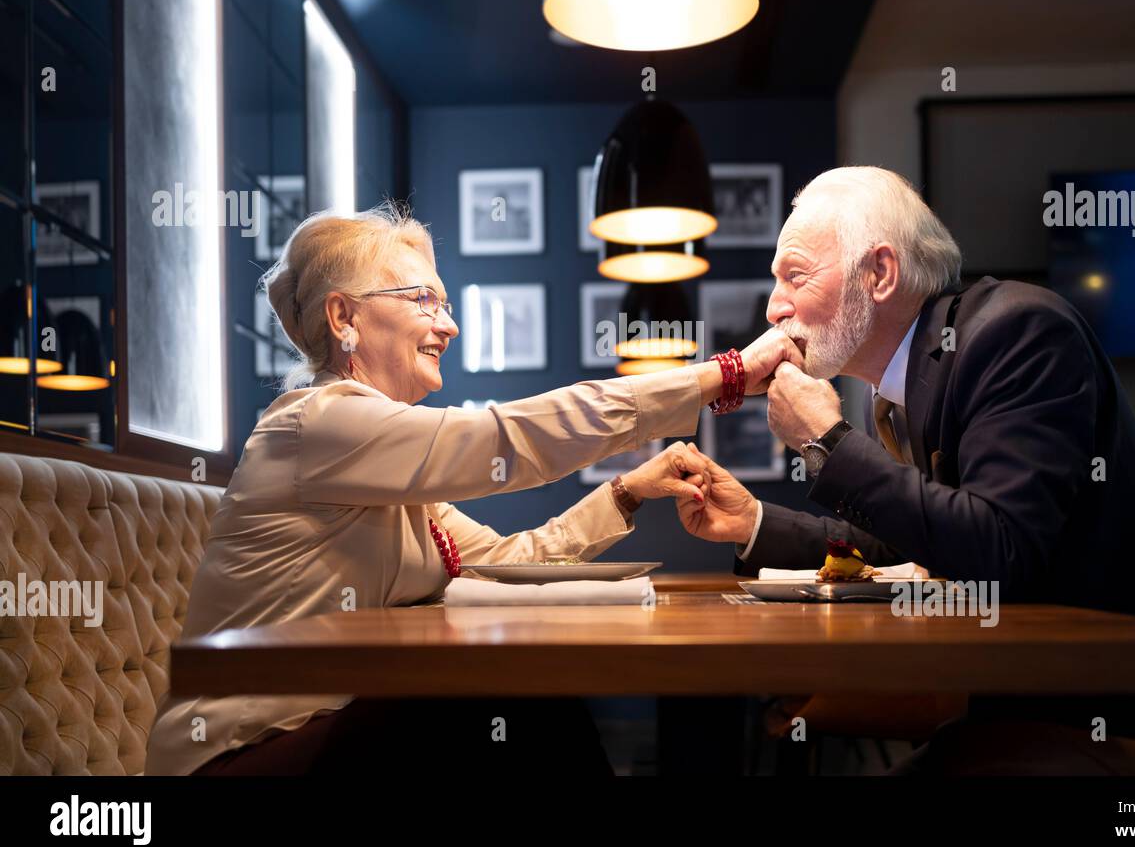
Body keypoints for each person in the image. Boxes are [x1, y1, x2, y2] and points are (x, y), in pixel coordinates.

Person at [144, 202, 801, 776]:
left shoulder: (385, 468)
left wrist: (625, 494)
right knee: (493, 695)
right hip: (240, 752)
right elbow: (511, 438)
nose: (448, 325)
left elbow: (509, 567)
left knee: (509, 693)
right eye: (424, 300)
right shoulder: (315, 425)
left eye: (447, 304)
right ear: (344, 315)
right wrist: (725, 374)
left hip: (327, 729)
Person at [675, 166, 1135, 743]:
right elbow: (915, 540)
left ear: (880, 273)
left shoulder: (1017, 332)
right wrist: (753, 523)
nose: (774, 308)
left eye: (795, 277)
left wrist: (828, 440)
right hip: (1029, 697)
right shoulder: (913, 374)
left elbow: (999, 548)